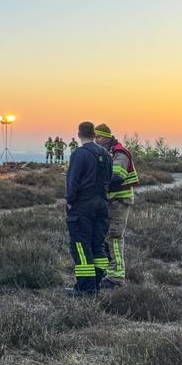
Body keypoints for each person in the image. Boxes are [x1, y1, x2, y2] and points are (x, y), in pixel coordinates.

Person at [64, 122, 112, 297]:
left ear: (79, 134)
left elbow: (72, 181)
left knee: (81, 246)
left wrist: (69, 201)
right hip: (102, 205)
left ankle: (85, 289)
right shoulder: (106, 155)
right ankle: (96, 283)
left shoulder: (79, 154)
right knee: (97, 244)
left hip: (83, 206)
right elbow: (109, 179)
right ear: (94, 134)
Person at [94, 123, 139, 288]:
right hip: (110, 202)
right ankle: (110, 272)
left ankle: (116, 279)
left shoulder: (119, 153)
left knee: (114, 237)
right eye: (95, 137)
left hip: (119, 201)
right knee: (107, 237)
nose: (97, 140)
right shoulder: (107, 153)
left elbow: (117, 177)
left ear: (107, 136)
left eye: (99, 137)